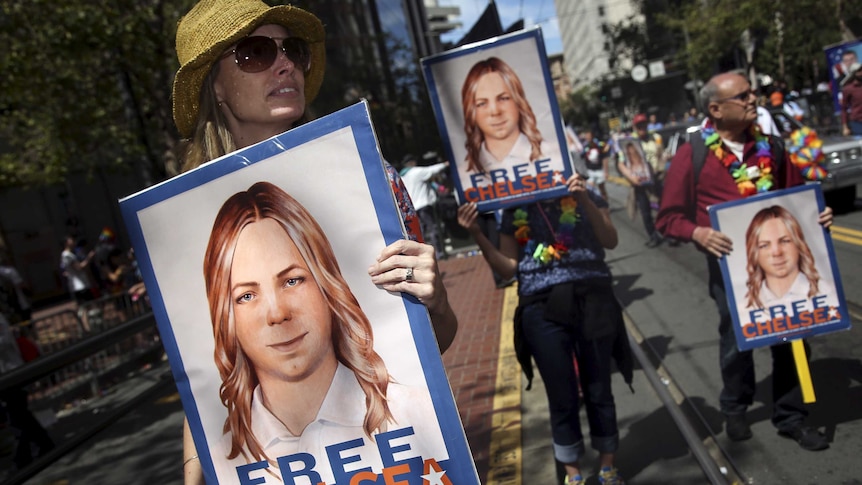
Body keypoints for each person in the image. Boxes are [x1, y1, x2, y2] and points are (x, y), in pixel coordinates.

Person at [167, 0, 458, 482]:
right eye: (255, 53)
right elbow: (203, 378)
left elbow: (429, 347)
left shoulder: (371, 182)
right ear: (214, 85)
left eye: (292, 50)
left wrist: (438, 301)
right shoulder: (186, 223)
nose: (284, 64)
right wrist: (194, 470)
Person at [203, 182, 445, 482]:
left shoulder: (415, 411)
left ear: (326, 284)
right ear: (227, 318)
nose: (277, 314)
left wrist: (437, 302)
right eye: (247, 296)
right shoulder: (224, 461)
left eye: (292, 281)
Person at [656, 71, 833, 451]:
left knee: (791, 335)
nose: (754, 99)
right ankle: (735, 408)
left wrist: (819, 216)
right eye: (744, 95)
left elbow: (799, 197)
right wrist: (698, 233)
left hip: (783, 262)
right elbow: (668, 217)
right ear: (716, 109)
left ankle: (792, 416)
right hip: (730, 268)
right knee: (737, 338)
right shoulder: (694, 154)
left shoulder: (772, 147)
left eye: (753, 93)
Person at [456, 175, 629, 485]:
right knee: (561, 392)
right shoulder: (513, 209)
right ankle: (573, 474)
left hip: (592, 297)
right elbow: (508, 268)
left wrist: (584, 199)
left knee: (599, 386)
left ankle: (608, 467)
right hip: (540, 308)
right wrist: (476, 233)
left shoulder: (583, 194)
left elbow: (610, 239)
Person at [460, 56, 561, 177]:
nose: (495, 111)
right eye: (482, 103)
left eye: (503, 98)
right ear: (471, 111)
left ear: (518, 101)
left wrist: (580, 194)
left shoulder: (552, 154)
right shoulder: (466, 174)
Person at [742, 206, 835, 315]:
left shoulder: (827, 291)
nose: (777, 253)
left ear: (798, 244)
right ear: (754, 253)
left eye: (785, 241)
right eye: (764, 245)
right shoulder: (746, 307)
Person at [399, 154, 449, 258]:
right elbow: (431, 170)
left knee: (419, 232)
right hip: (423, 204)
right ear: (412, 163)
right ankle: (438, 252)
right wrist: (445, 164)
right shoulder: (416, 172)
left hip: (412, 208)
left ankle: (420, 254)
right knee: (433, 228)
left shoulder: (402, 176)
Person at [617, 138, 663, 248]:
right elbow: (621, 163)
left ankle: (669, 233)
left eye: (643, 125)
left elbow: (661, 155)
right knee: (645, 211)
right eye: (639, 126)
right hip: (639, 184)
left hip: (656, 179)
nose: (632, 152)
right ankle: (653, 236)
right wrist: (631, 177)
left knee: (662, 207)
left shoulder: (655, 139)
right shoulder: (630, 140)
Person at [59, 236, 96, 304]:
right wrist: (89, 258)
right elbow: (79, 267)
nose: (73, 241)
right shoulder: (67, 255)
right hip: (79, 286)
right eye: (71, 240)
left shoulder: (70, 254)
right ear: (66, 243)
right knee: (87, 306)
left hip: (81, 284)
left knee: (86, 306)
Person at [0, 255, 32, 323]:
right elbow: (21, 285)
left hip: (4, 309)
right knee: (26, 325)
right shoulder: (9, 271)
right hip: (19, 304)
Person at [580, 129, 609, 200]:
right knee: (591, 189)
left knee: (602, 189)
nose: (588, 138)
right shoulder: (585, 147)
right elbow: (581, 158)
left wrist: (606, 171)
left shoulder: (599, 145)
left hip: (599, 170)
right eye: (586, 136)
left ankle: (605, 204)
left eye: (589, 136)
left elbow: (604, 157)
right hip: (590, 171)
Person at [840, 63, 862, 136]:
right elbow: (844, 109)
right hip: (857, 122)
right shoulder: (848, 89)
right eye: (859, 71)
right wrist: (845, 127)